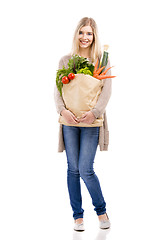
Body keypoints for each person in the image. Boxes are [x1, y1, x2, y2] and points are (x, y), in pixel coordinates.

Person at [54, 17, 112, 231]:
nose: (84, 37)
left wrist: (94, 113)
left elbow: (106, 92)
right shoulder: (65, 60)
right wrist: (63, 111)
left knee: (85, 169)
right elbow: (57, 91)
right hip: (69, 122)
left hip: (91, 122)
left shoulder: (101, 61)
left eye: (89, 33)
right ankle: (78, 216)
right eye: (81, 33)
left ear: (94, 36)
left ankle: (101, 211)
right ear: (76, 35)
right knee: (72, 169)